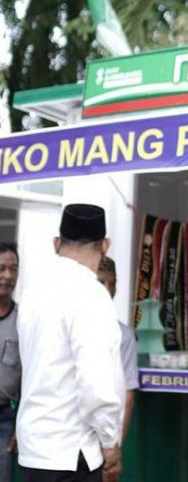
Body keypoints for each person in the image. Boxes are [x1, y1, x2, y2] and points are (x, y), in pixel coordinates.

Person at [17, 204, 125, 482]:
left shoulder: (32, 291)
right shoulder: (92, 295)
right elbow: (97, 383)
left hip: (34, 449)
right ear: (105, 245)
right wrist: (110, 442)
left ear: (56, 243)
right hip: (70, 451)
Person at [97, 256, 139, 444]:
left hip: (105, 433)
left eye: (111, 283)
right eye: (100, 282)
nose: (106, 289)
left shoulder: (124, 335)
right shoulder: (69, 327)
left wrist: (116, 445)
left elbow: (128, 395)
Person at [0, 243, 20, 482]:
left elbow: (31, 376)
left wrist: (19, 426)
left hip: (4, 421)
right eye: (1, 268)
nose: (7, 276)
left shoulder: (22, 321)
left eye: (13, 269)